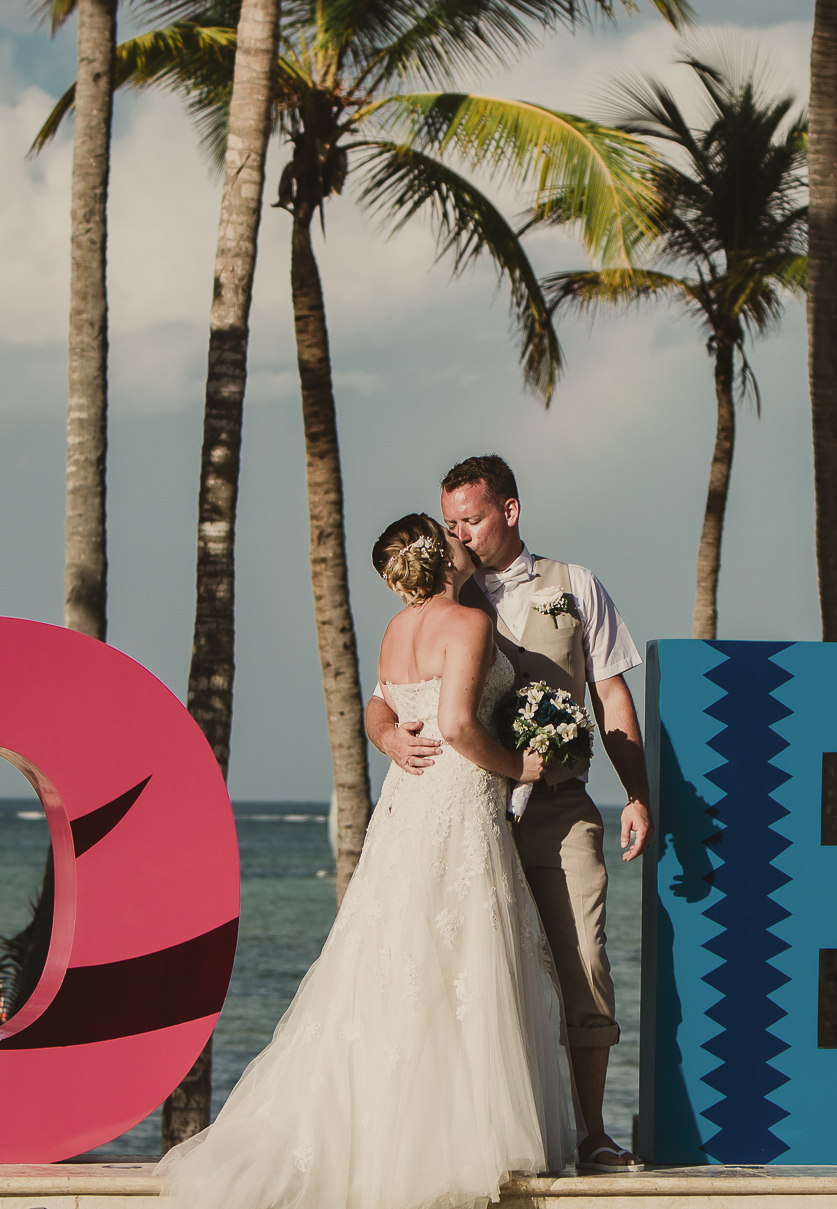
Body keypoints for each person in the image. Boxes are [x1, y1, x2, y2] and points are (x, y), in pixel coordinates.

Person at [155, 513, 576, 1209]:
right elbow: (462, 725)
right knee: (456, 956)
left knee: (399, 957)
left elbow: (382, 706)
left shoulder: (395, 630)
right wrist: (521, 766)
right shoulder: (466, 625)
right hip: (457, 799)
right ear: (441, 558)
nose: (461, 538)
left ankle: (399, 1128)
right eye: (450, 536)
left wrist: (387, 738)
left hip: (407, 809)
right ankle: (454, 1140)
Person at [365, 455, 652, 1173]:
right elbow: (386, 696)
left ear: (510, 510)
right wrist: (387, 734)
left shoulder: (574, 586)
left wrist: (638, 792)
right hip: (466, 813)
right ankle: (467, 1131)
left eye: (471, 517)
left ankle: (592, 1132)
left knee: (583, 960)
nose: (457, 531)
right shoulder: (437, 602)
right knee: (467, 969)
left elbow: (612, 698)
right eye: (450, 520)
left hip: (557, 807)